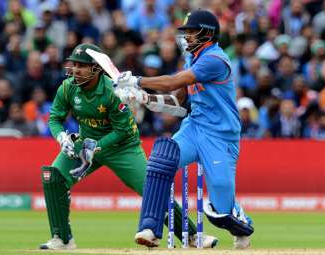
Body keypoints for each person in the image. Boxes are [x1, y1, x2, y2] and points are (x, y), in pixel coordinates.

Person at [39, 43, 217, 250]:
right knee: (53, 177)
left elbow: (122, 131)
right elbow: (54, 118)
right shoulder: (67, 88)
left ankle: (193, 236)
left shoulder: (112, 91)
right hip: (85, 143)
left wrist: (95, 145)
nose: (76, 70)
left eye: (82, 66)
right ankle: (62, 238)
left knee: (153, 189)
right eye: (74, 65)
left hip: (122, 147)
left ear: (96, 68)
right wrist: (62, 137)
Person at [115, 10, 254, 249]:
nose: (186, 36)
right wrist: (143, 98)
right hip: (194, 127)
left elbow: (173, 81)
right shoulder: (193, 58)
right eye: (186, 31)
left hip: (221, 136)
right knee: (160, 161)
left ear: (207, 34)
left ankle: (241, 222)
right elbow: (177, 102)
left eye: (191, 31)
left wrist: (137, 81)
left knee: (220, 213)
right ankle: (149, 228)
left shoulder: (215, 59)